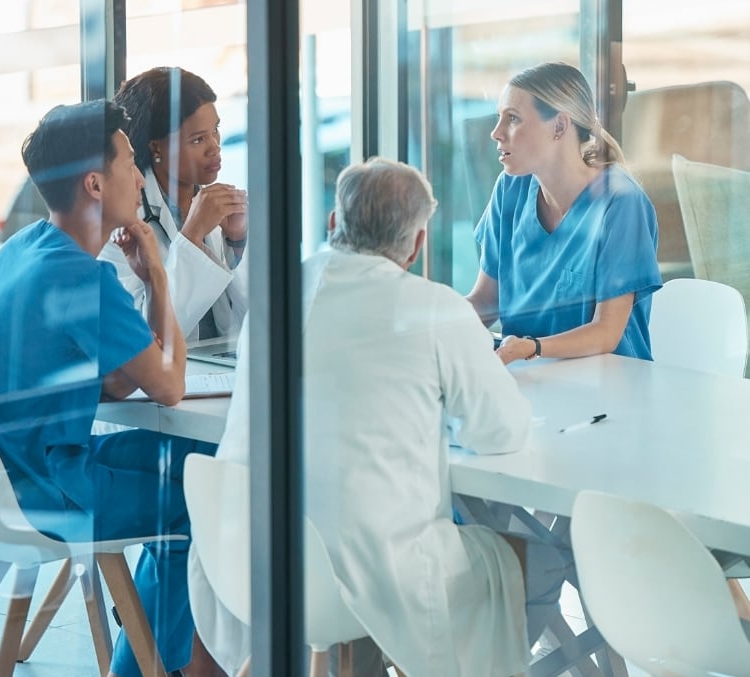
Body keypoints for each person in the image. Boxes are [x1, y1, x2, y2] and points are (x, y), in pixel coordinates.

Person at [189, 157, 555, 677]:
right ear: (417, 243)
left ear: (334, 224)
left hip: (252, 561)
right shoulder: (433, 308)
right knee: (534, 560)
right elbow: (499, 431)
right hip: (366, 577)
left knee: (355, 541)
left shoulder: (278, 295)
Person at [0, 100, 222, 677]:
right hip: (41, 491)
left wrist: (150, 294)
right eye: (127, 162)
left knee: (206, 461)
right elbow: (168, 386)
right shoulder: (83, 278)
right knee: (207, 499)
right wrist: (161, 279)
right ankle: (146, 667)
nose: (140, 177)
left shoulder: (22, 248)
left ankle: (171, 653)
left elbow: (119, 380)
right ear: (96, 183)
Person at [467, 61, 663, 365]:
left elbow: (606, 332)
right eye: (499, 118)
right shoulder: (510, 188)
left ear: (559, 126)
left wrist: (531, 348)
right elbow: (485, 301)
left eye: (513, 119)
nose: (496, 132)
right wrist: (431, 322)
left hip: (612, 388)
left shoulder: (621, 202)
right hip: (532, 379)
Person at [100, 66, 248, 343]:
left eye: (215, 130)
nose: (215, 147)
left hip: (224, 372)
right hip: (168, 380)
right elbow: (147, 336)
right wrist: (191, 236)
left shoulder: (218, 204)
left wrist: (237, 242)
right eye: (198, 139)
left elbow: (262, 316)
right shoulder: (119, 222)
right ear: (156, 148)